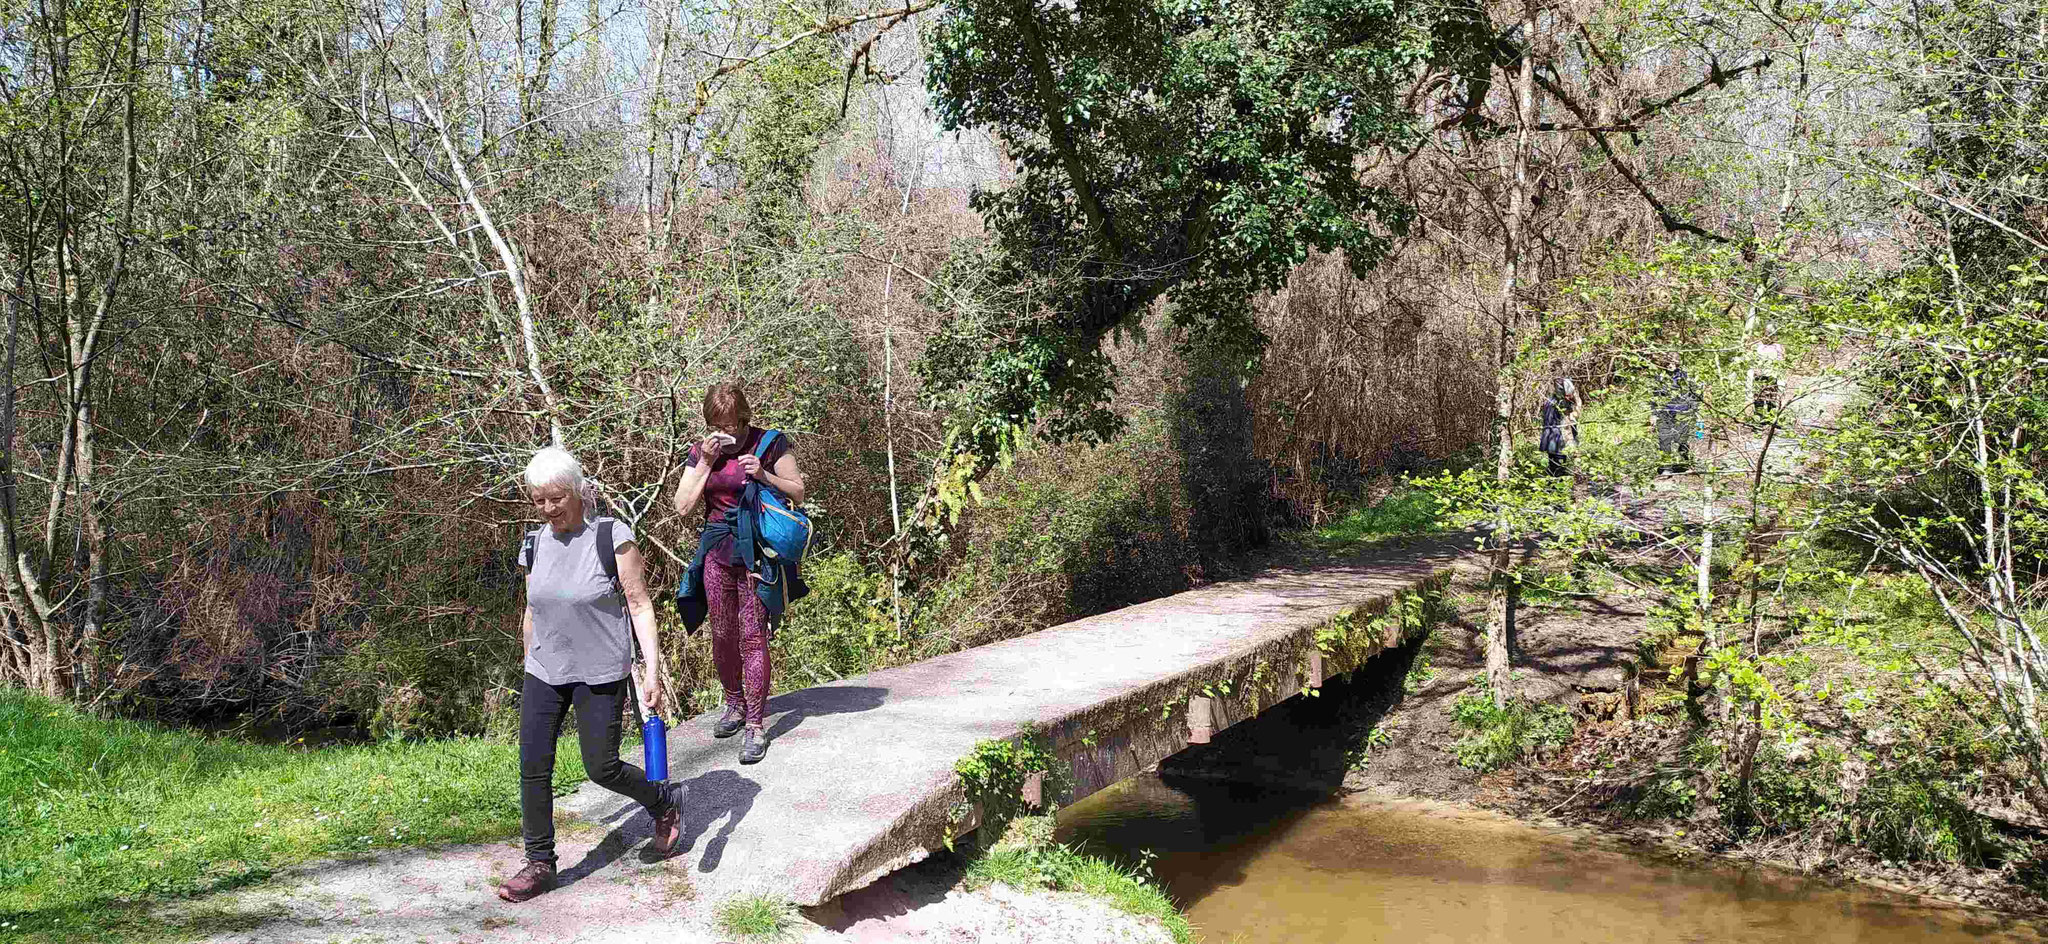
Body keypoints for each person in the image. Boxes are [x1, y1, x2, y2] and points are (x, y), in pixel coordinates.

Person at [499, 447, 686, 903]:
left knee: (600, 767)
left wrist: (652, 674)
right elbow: (531, 609)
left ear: (579, 491)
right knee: (533, 767)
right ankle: (540, 862)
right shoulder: (533, 543)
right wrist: (528, 660)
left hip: (600, 669)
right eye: (538, 500)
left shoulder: (611, 537)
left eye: (556, 498)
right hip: (544, 669)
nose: (547, 509)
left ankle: (663, 803)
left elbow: (640, 607)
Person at [673, 382, 807, 765]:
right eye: (717, 426)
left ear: (744, 419)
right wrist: (704, 463)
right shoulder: (702, 453)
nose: (726, 434)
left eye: (731, 425)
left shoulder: (770, 443)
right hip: (717, 553)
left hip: (755, 555)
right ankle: (733, 704)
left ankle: (755, 725)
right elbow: (683, 506)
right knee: (722, 634)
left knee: (752, 636)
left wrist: (764, 476)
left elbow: (798, 492)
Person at [1654, 367, 1698, 473]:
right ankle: (1666, 467)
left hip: (1683, 413)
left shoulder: (1685, 376)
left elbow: (1694, 394)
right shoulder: (1660, 376)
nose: (1670, 365)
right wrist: (1654, 414)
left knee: (1683, 440)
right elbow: (1654, 396)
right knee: (1664, 440)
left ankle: (1684, 465)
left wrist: (1693, 411)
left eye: (1672, 361)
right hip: (1664, 413)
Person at [1538, 377, 1581, 477]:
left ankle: (1553, 487)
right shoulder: (1559, 403)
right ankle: (1556, 488)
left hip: (1552, 438)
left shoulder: (1550, 400)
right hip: (1557, 438)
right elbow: (1569, 422)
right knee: (1558, 469)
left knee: (1554, 466)